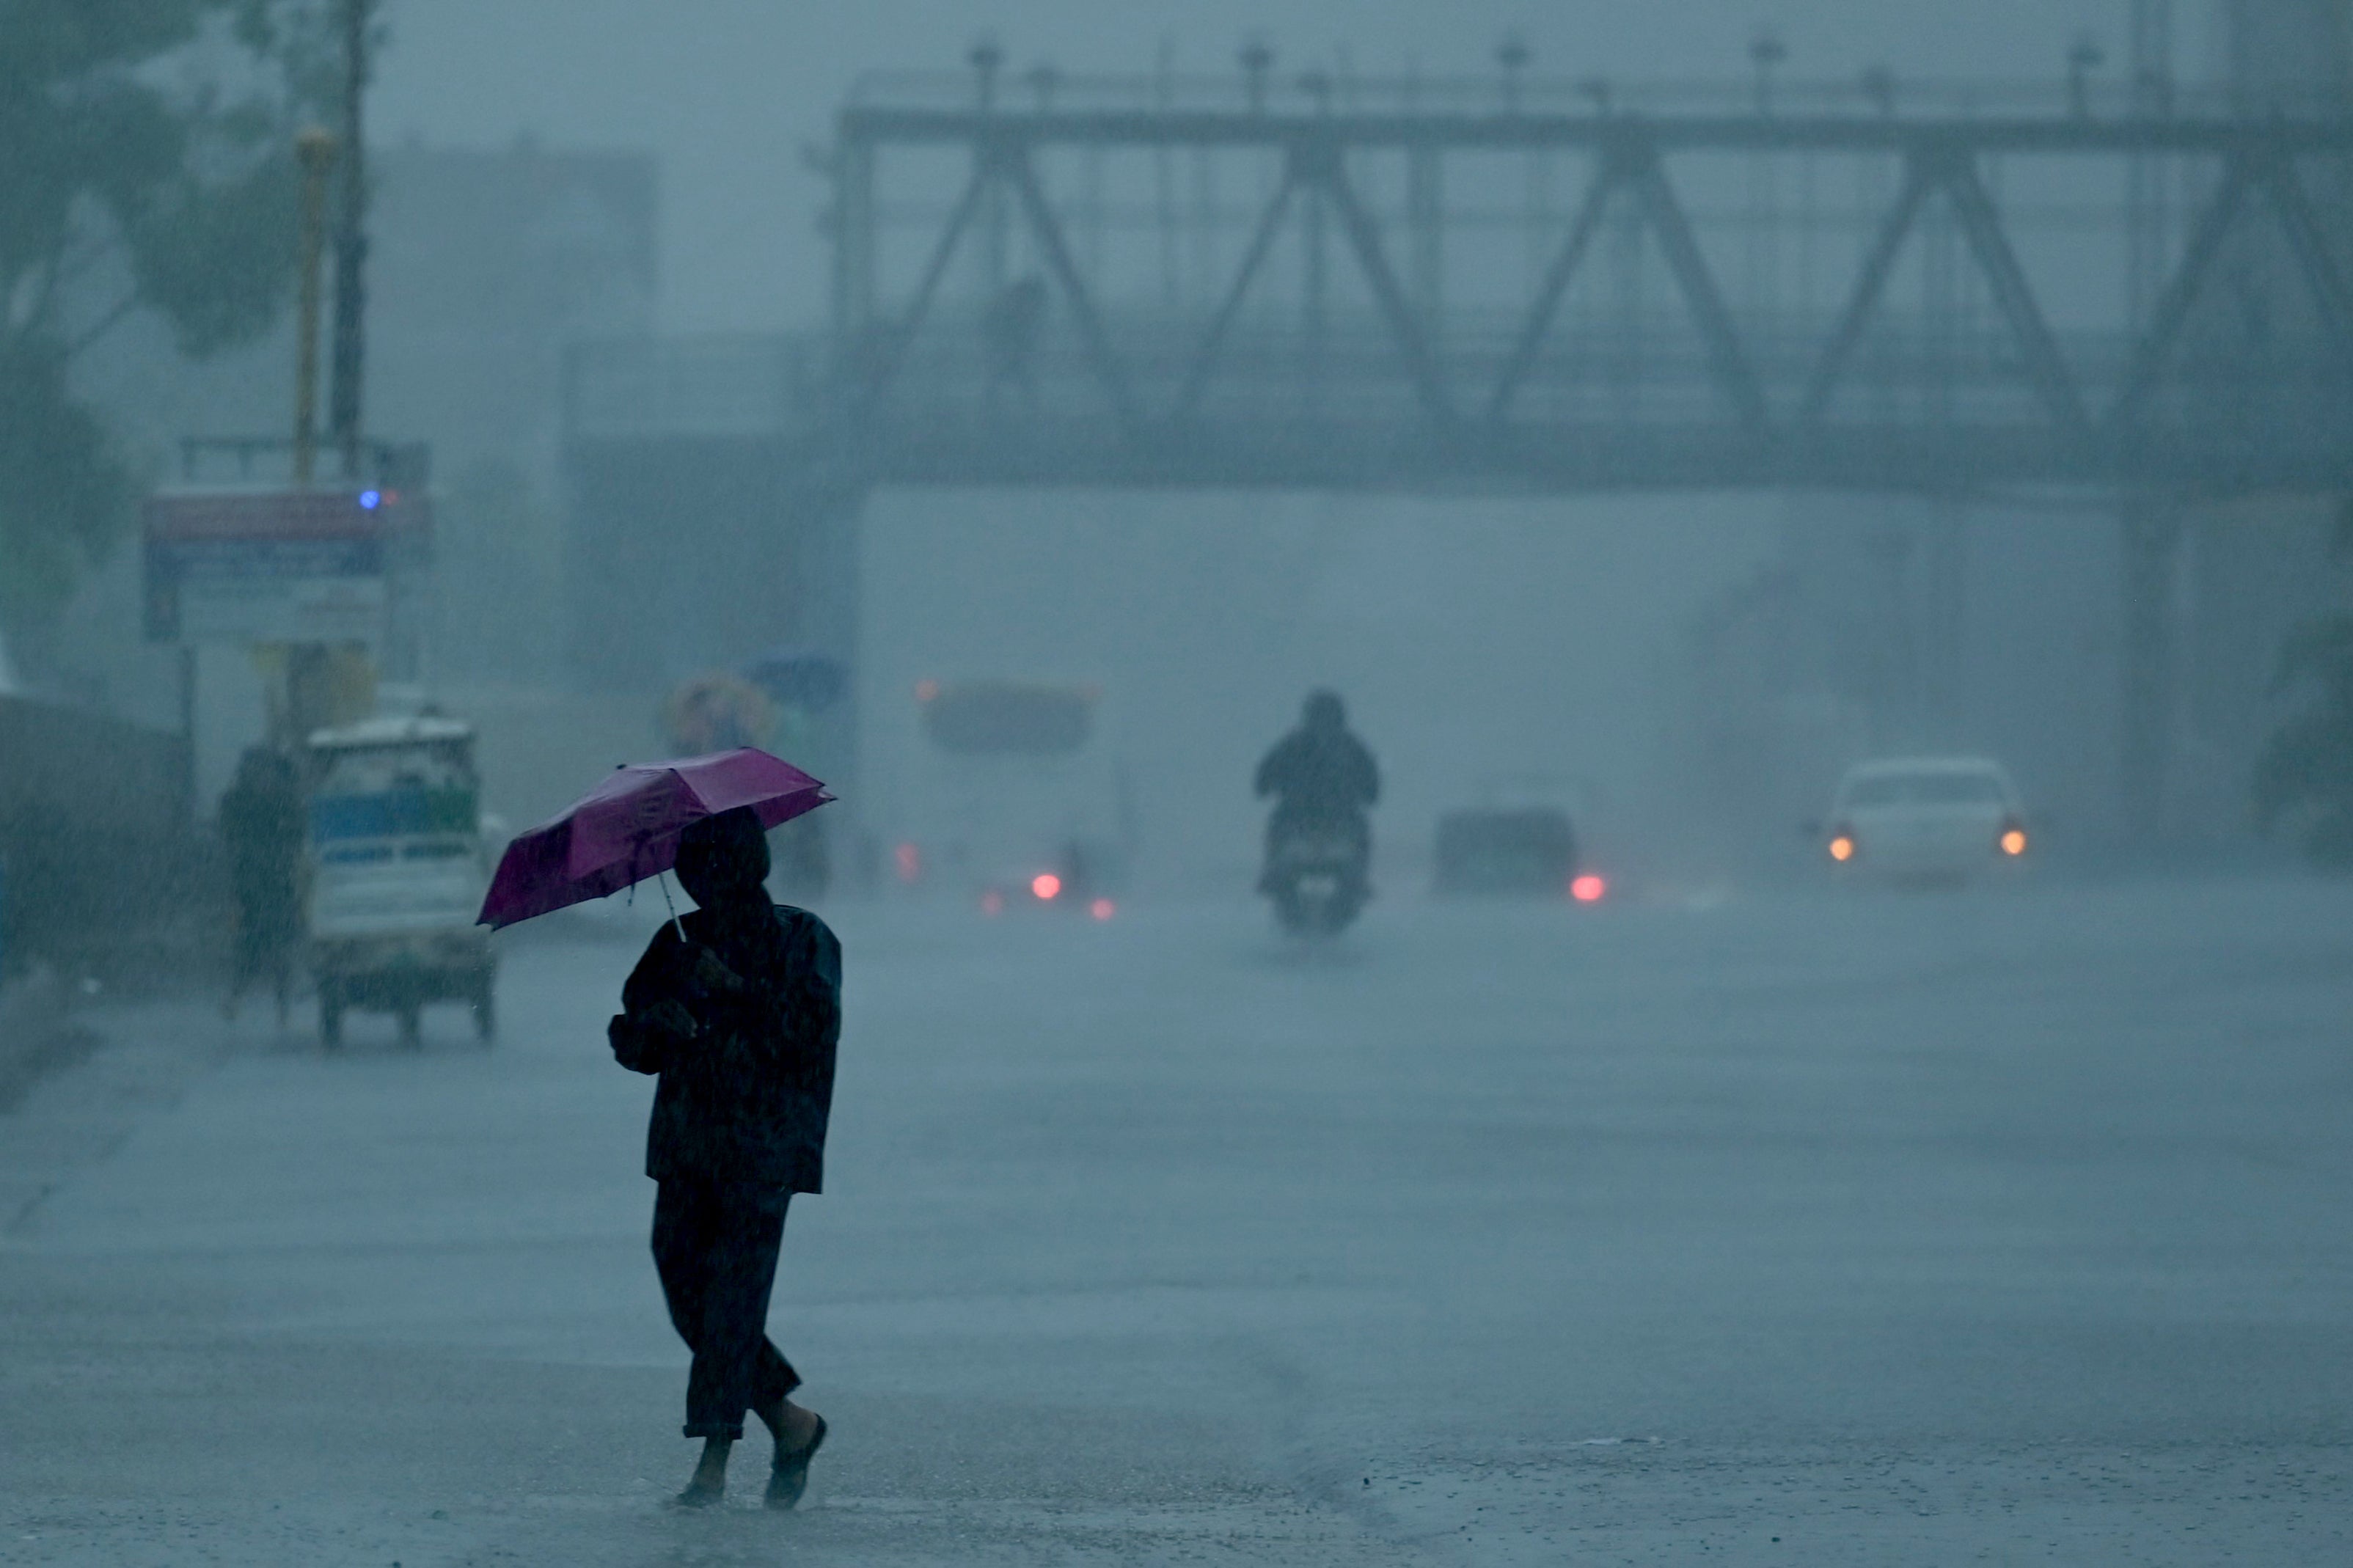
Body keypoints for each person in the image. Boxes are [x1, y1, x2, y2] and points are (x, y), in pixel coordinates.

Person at [608, 807, 842, 1509]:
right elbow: (631, 1038)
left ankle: (711, 1464)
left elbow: (810, 1035)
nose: (706, 883)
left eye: (715, 867)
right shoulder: (673, 945)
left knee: (733, 1302)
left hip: (764, 1150)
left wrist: (735, 989)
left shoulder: (803, 939)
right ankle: (790, 1423)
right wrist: (659, 1023)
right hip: (687, 1149)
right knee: (689, 1296)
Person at [1253, 690, 1380, 887]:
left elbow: (1263, 780)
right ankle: (1360, 877)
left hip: (1298, 816)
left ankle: (1273, 870)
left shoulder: (1291, 744)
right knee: (1360, 831)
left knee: (1277, 826)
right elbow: (1372, 788)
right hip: (1337, 816)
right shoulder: (1351, 746)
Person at [218, 745, 304, 1027]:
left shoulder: (285, 801)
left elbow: (298, 835)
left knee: (279, 949)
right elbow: (228, 836)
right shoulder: (238, 802)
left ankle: (282, 1007)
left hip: (280, 885)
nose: (260, 777)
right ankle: (236, 996)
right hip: (249, 887)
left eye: (264, 770)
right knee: (249, 946)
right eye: (255, 770)